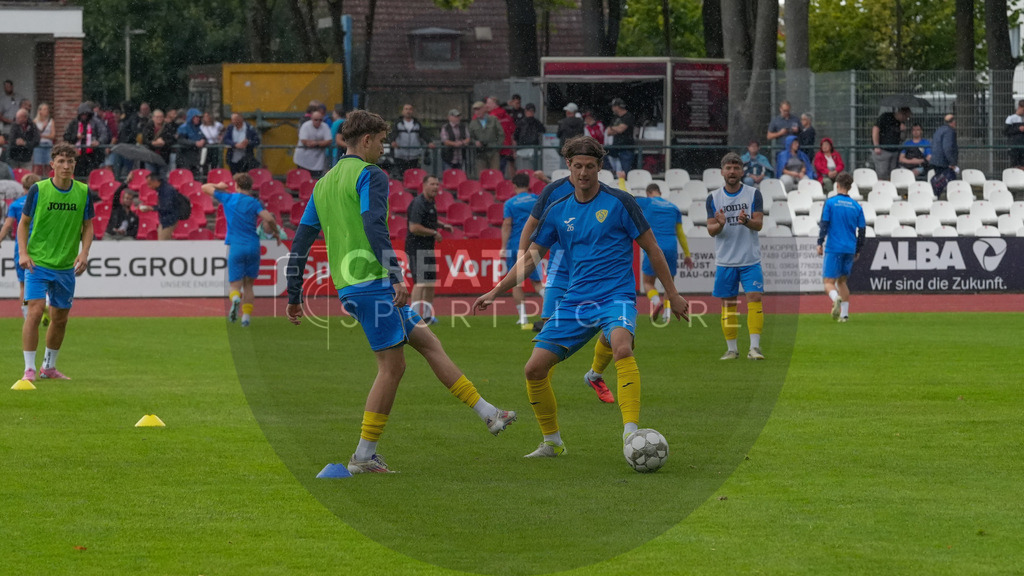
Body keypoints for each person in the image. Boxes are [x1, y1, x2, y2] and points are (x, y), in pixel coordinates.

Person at [284, 110, 517, 474]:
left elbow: (301, 241)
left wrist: (294, 293)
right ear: (365, 140)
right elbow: (373, 224)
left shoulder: (324, 183)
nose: (383, 147)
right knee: (392, 368)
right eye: (380, 140)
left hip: (352, 285)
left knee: (429, 343)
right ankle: (363, 456)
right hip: (373, 282)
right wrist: (395, 275)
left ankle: (489, 413)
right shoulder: (370, 175)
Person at [474, 135, 689, 458]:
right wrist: (495, 291)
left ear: (600, 167)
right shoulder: (559, 210)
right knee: (533, 369)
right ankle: (552, 443)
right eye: (578, 166)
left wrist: (672, 294)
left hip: (616, 296)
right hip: (575, 301)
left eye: (590, 166)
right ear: (568, 168)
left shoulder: (620, 202)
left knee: (622, 347)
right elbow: (531, 258)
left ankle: (630, 434)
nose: (584, 172)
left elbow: (653, 249)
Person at [15, 142, 94, 383]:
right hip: (38, 263)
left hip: (65, 266)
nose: (66, 166)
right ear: (52, 165)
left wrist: (84, 253)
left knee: (60, 318)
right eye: (61, 161)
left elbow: (88, 226)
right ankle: (29, 369)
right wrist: (23, 253)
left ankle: (48, 367)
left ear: (74, 165)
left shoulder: (83, 191)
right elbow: (23, 223)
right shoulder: (38, 190)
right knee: (35, 312)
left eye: (70, 161)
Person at [706, 152, 766, 361]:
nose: (732, 172)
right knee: (728, 304)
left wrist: (747, 221)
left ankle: (755, 348)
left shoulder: (753, 194)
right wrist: (720, 224)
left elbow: (758, 224)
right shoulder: (713, 198)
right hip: (726, 261)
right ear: (722, 171)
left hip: (750, 259)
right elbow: (710, 230)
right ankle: (732, 349)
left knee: (755, 298)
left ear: (742, 171)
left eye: (736, 168)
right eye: (728, 168)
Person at [203, 173, 280, 327]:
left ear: (236, 185)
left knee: (234, 285)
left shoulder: (229, 198)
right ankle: (246, 317)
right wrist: (276, 233)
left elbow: (204, 187)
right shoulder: (253, 202)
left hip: (236, 246)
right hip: (252, 245)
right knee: (249, 285)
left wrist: (219, 186)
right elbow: (269, 218)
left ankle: (236, 299)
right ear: (250, 187)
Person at [636, 182, 694, 324]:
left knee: (648, 282)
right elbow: (680, 233)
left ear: (649, 193)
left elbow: (624, 199)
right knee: (669, 284)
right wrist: (687, 254)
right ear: (660, 193)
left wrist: (621, 180)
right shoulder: (673, 207)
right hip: (671, 247)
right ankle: (667, 315)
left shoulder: (647, 202)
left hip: (654, 246)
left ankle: (656, 302)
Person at [816, 171, 865, 323]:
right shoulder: (856, 206)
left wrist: (819, 242)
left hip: (834, 247)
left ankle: (835, 297)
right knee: (842, 282)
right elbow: (862, 230)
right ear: (850, 187)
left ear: (837, 185)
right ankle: (844, 315)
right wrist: (858, 249)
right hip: (849, 248)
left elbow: (824, 223)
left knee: (829, 283)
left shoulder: (830, 203)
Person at [405, 175, 453, 325]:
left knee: (430, 282)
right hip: (416, 247)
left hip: (427, 247)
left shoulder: (431, 202)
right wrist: (434, 232)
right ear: (424, 185)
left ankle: (427, 316)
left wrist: (442, 225)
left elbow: (428, 220)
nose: (435, 187)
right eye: (432, 184)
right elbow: (414, 227)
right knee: (420, 282)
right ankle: (413, 316)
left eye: (437, 184)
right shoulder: (418, 203)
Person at [501, 172, 543, 328]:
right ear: (528, 184)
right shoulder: (536, 200)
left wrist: (503, 247)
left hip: (515, 245)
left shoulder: (510, 203)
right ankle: (552, 309)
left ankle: (523, 318)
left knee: (516, 282)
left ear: (514, 185)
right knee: (537, 282)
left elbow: (507, 225)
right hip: (534, 244)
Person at [0, 173, 41, 318]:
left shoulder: (16, 204)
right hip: (41, 246)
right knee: (43, 280)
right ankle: (45, 305)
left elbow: (8, 225)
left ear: (23, 187)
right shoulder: (42, 202)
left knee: (24, 284)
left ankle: (26, 314)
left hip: (22, 247)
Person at [63, 102, 109, 178]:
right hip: (77, 155)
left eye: (86, 114)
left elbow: (104, 133)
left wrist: (98, 142)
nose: (84, 116)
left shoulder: (96, 122)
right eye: (82, 114)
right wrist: (76, 137)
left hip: (92, 155)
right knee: (78, 176)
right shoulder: (74, 123)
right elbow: (66, 137)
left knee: (91, 176)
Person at [137, 172, 180, 240]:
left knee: (162, 242)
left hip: (169, 220)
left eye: (150, 184)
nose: (149, 187)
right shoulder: (163, 189)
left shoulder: (166, 191)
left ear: (156, 181)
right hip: (165, 219)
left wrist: (151, 208)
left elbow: (167, 207)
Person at [390, 104, 428, 178]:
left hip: (414, 155)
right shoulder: (398, 123)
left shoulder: (417, 123)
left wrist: (429, 142)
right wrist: (392, 141)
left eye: (410, 109)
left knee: (413, 175)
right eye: (406, 109)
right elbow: (392, 134)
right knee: (401, 175)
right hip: (400, 154)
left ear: (412, 111)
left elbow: (423, 134)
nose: (408, 111)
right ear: (403, 111)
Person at [872, 107, 910, 180]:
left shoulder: (900, 123)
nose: (906, 119)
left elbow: (902, 138)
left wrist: (903, 131)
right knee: (882, 173)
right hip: (883, 150)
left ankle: (889, 189)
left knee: (892, 174)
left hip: (894, 151)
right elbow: (875, 129)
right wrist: (876, 146)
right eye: (906, 117)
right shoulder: (885, 117)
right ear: (902, 114)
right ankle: (880, 189)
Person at [293, 110, 332, 178]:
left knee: (316, 179)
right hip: (303, 159)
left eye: (320, 120)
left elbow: (329, 140)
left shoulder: (325, 126)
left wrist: (316, 143)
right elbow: (304, 141)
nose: (318, 122)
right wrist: (321, 143)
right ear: (312, 119)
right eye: (316, 120)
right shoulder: (305, 126)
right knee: (303, 179)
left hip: (318, 160)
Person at [469, 101, 502, 174]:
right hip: (480, 153)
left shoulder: (493, 120)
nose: (477, 112)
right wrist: (475, 142)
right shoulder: (473, 123)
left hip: (493, 152)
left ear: (484, 109)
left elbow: (501, 134)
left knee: (495, 174)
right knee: (481, 175)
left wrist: (497, 146)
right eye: (475, 110)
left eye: (479, 109)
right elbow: (470, 137)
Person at [929, 114, 959, 198]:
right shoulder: (949, 131)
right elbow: (948, 148)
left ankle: (936, 197)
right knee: (950, 182)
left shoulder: (939, 130)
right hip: (943, 162)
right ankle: (951, 199)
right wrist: (952, 162)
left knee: (940, 181)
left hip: (936, 161)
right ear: (953, 122)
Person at [606, 98, 636, 175]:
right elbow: (608, 132)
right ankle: (610, 171)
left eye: (613, 106)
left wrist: (614, 128)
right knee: (601, 153)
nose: (612, 108)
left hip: (626, 148)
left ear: (617, 107)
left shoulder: (628, 116)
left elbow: (621, 130)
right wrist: (616, 128)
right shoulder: (615, 118)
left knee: (625, 173)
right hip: (616, 146)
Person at [175, 108, 207, 177]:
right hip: (184, 158)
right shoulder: (183, 127)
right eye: (196, 117)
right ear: (191, 117)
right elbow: (181, 140)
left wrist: (203, 140)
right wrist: (194, 143)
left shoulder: (198, 128)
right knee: (186, 178)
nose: (198, 119)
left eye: (199, 117)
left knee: (196, 178)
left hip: (195, 158)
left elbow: (203, 137)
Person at [32, 103, 55, 176]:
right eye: (45, 109)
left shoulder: (51, 121)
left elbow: (53, 135)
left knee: (48, 165)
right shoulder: (35, 122)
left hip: (48, 145)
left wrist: (42, 135)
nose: (47, 111)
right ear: (40, 111)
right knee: (37, 166)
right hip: (38, 145)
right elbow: (33, 135)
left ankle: (48, 181)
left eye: (47, 109)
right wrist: (41, 136)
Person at [1005, 101, 1024, 170]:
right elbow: (1006, 131)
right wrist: (1018, 129)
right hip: (1014, 145)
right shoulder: (1011, 118)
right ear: (1019, 107)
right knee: (1015, 165)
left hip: (1022, 146)